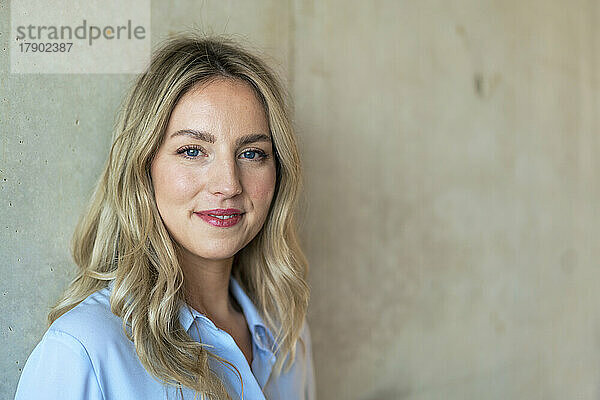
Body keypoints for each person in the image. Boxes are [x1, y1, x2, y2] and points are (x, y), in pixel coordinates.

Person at [14, 33, 315, 400]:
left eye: (252, 153)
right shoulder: (83, 351)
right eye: (192, 150)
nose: (228, 184)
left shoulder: (287, 335)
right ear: (144, 165)